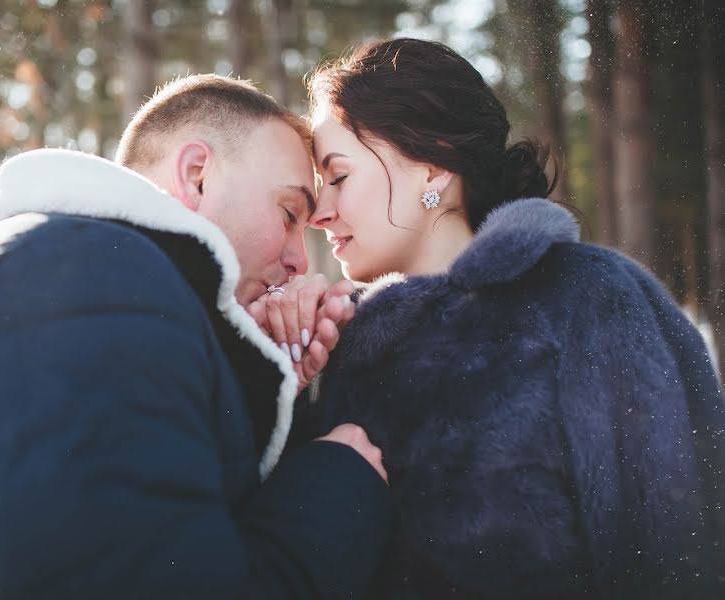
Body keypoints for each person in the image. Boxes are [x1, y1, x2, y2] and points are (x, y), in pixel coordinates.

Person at [0, 74, 392, 599]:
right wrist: (334, 488)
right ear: (198, 174)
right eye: (289, 212)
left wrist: (256, 388)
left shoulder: (89, 280)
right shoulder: (77, 288)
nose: (300, 259)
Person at [253, 38, 725, 598]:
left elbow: (676, 538)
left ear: (432, 166)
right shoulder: (337, 342)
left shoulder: (587, 297)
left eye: (339, 176)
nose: (320, 212)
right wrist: (273, 375)